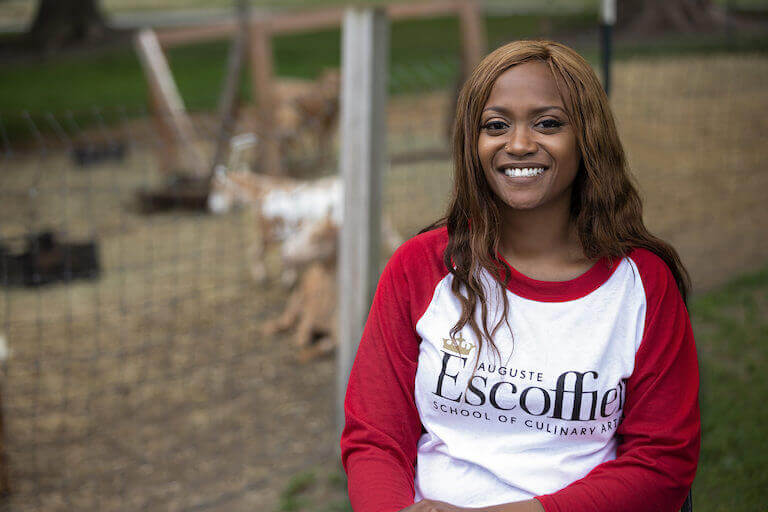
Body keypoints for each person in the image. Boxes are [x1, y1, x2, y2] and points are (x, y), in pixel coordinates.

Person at [339, 40, 700, 512]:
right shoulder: (421, 266)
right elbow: (375, 437)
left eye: (548, 123)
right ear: (473, 141)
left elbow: (661, 462)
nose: (519, 144)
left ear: (587, 136)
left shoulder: (642, 285)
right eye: (496, 125)